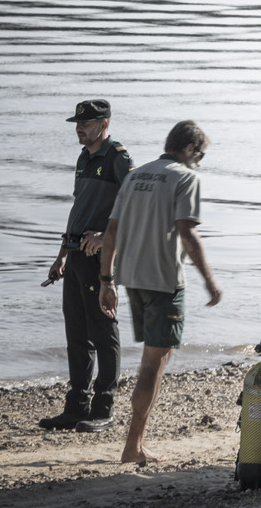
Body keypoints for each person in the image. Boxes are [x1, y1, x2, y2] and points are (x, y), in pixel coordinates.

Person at [99, 120, 221, 464]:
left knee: (158, 358)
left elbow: (111, 232)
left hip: (131, 278)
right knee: (153, 364)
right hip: (165, 282)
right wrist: (210, 281)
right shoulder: (186, 177)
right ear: (189, 150)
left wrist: (106, 281)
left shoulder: (135, 176)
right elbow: (188, 234)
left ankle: (136, 442)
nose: (200, 161)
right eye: (201, 155)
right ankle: (132, 446)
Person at [39, 99, 134, 433]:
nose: (79, 128)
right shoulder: (83, 157)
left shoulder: (117, 158)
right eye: (78, 123)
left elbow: (135, 204)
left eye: (86, 123)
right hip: (76, 254)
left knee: (103, 331)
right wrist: (62, 253)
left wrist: (105, 234)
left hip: (99, 257)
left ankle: (103, 409)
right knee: (77, 335)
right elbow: (78, 207)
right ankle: (76, 407)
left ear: (103, 124)